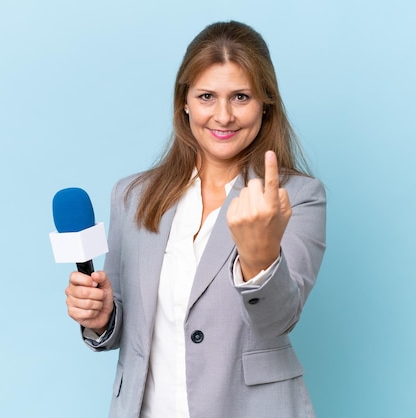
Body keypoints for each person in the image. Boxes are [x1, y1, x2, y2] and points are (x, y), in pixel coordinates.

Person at [64, 20, 326, 418]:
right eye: (207, 96)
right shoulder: (132, 196)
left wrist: (260, 255)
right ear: (184, 101)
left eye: (241, 96)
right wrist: (102, 318)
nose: (223, 116)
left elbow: (278, 320)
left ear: (265, 103)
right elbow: (124, 322)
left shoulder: (298, 197)